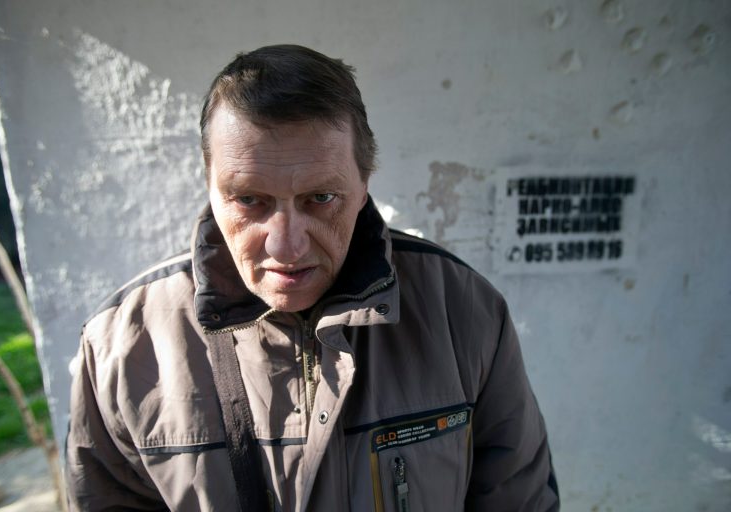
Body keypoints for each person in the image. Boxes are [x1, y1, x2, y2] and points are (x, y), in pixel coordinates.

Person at [66, 44, 559, 511]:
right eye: (248, 200)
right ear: (209, 185)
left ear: (364, 185)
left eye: (320, 199)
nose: (285, 245)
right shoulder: (121, 346)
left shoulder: (464, 310)